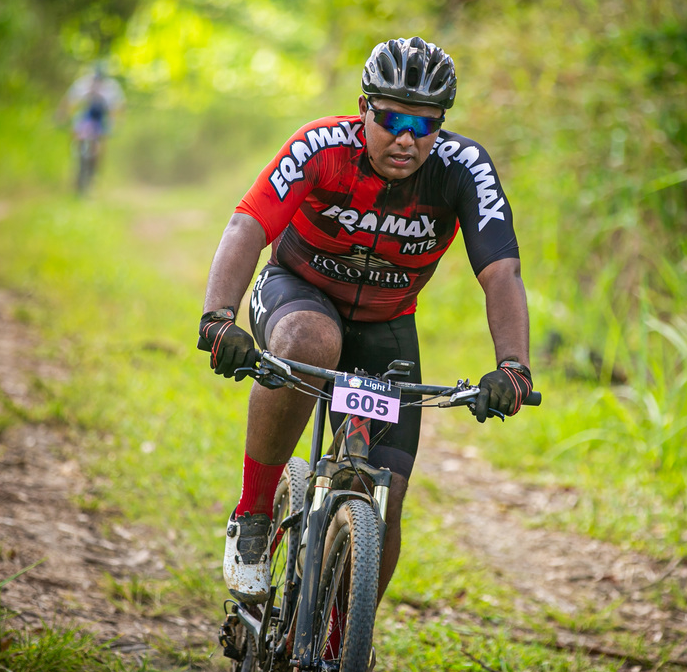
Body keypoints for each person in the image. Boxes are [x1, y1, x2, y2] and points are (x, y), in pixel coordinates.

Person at [197, 37, 534, 605]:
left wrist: (513, 366)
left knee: (387, 497)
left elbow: (502, 271)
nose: (407, 138)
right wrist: (218, 319)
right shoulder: (321, 146)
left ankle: (342, 642)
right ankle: (253, 514)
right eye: (393, 119)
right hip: (296, 293)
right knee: (313, 340)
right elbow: (247, 225)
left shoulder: (463, 169)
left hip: (386, 324)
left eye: (425, 124)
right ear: (363, 109)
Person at [56, 62, 125, 190]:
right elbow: (69, 101)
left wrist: (115, 123)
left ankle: (95, 175)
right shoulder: (83, 83)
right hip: (84, 117)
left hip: (101, 118)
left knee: (102, 143)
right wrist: (61, 115)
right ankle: (75, 166)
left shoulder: (111, 87)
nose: (97, 81)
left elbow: (117, 108)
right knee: (75, 135)